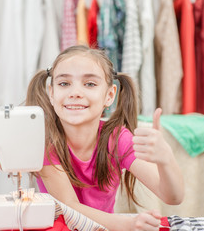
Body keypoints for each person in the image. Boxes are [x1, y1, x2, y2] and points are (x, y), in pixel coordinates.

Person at [26, 45, 184, 231]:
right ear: (51, 94)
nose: (75, 92)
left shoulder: (117, 140)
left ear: (109, 96)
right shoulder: (46, 143)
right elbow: (70, 208)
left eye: (90, 84)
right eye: (64, 84)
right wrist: (129, 224)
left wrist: (165, 159)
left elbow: (173, 197)